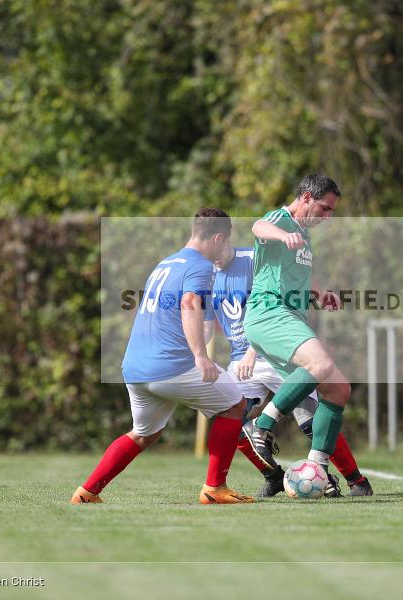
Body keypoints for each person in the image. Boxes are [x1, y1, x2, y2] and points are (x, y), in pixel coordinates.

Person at [71, 208, 254, 505]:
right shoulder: (201, 265)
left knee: (144, 433)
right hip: (171, 366)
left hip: (135, 368)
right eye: (225, 243)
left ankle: (88, 491)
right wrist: (200, 356)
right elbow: (190, 303)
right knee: (235, 405)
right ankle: (215, 487)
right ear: (219, 237)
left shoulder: (166, 263)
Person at [211, 242, 373, 497]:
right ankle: (273, 476)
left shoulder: (254, 258)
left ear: (221, 238)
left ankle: (356, 481)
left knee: (311, 421)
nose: (211, 258)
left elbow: (295, 280)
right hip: (241, 362)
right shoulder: (206, 272)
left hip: (276, 352)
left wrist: (320, 293)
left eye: (213, 251)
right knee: (228, 422)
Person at [242, 173, 358, 486]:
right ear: (306, 197)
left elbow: (299, 275)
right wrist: (281, 235)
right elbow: (258, 226)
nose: (327, 216)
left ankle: (317, 467)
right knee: (320, 365)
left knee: (338, 388)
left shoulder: (303, 235)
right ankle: (261, 425)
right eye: (324, 208)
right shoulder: (281, 220)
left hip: (287, 318)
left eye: (332, 211)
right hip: (269, 313)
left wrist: (320, 292)